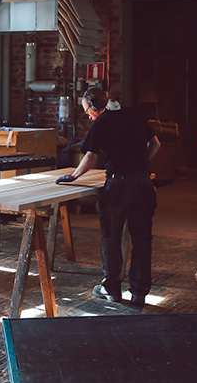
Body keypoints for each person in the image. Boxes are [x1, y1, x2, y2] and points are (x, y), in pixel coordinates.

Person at [56, 87, 161, 307]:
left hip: (118, 186)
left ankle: (112, 288)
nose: (88, 115)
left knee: (112, 238)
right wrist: (141, 165)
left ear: (95, 105)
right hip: (142, 184)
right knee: (142, 240)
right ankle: (139, 293)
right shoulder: (133, 115)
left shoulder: (101, 123)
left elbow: (91, 156)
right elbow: (156, 144)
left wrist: (74, 175)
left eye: (87, 110)